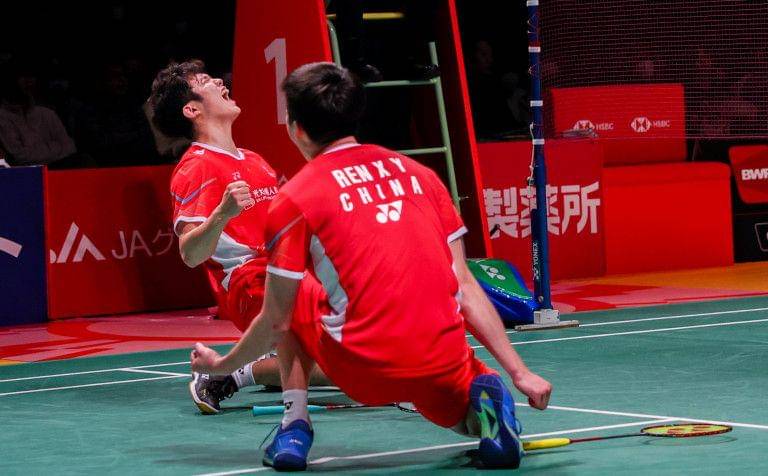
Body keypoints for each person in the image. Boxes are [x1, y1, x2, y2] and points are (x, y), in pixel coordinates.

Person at [190, 62, 552, 470]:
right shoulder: (421, 175)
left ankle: (294, 426)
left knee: (291, 290)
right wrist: (520, 373)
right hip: (441, 356)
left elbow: (276, 321)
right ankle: (487, 409)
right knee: (467, 420)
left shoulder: (296, 197)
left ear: (296, 129)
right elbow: (465, 285)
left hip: (363, 370)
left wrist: (221, 366)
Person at [148, 61, 330, 415]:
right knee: (347, 366)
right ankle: (238, 373)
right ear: (191, 110)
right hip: (251, 282)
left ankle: (235, 373)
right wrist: (222, 214)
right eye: (204, 81)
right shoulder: (196, 165)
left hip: (290, 272)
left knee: (348, 362)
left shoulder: (254, 160)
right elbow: (191, 254)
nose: (219, 80)